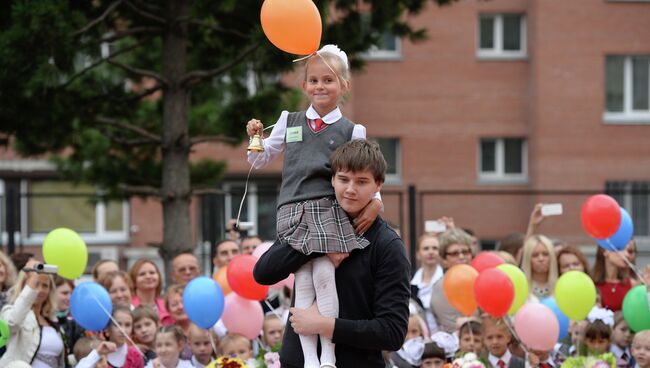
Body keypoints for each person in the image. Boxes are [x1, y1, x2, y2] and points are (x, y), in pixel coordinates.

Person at [246, 45, 383, 368]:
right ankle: (310, 358)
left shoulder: (352, 130)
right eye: (314, 80)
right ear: (304, 85)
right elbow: (260, 159)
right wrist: (254, 139)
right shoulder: (288, 120)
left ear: (345, 86)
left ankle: (328, 357)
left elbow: (364, 171)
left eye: (329, 80)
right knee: (303, 281)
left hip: (327, 213)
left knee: (323, 276)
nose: (320, 87)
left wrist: (374, 203)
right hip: (293, 211)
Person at [254, 139, 410, 368]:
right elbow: (263, 273)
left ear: (378, 185)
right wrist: (317, 245)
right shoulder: (310, 220)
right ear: (332, 180)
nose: (350, 189)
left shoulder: (387, 244)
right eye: (343, 179)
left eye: (362, 182)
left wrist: (325, 325)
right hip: (296, 362)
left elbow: (392, 332)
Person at [0, 259, 67, 366]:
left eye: (45, 285)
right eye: (36, 284)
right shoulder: (10, 311)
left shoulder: (52, 320)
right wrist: (32, 278)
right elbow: (12, 323)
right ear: (24, 286)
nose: (39, 290)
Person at [430, 228, 475, 333]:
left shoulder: (480, 280)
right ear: (444, 260)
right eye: (454, 253)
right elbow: (452, 326)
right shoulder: (441, 287)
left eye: (465, 251)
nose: (461, 256)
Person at [77, 305, 144, 368]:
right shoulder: (97, 353)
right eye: (117, 325)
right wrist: (97, 354)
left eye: (127, 325)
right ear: (107, 328)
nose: (123, 330)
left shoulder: (135, 356)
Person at [411, 234, 444, 334]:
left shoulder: (447, 280)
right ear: (418, 254)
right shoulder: (410, 283)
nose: (431, 252)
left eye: (435, 248)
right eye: (426, 248)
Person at [130, 259, 173, 325]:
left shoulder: (167, 305)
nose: (148, 276)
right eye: (142, 274)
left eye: (152, 273)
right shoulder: (129, 306)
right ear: (134, 281)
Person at [592, 246, 632, 311]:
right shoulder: (591, 284)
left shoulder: (632, 284)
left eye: (628, 251)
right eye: (620, 249)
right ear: (605, 251)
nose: (627, 254)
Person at [520, 235, 558, 300]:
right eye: (535, 255)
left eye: (545, 254)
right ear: (528, 259)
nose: (541, 259)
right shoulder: (521, 287)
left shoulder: (560, 285)